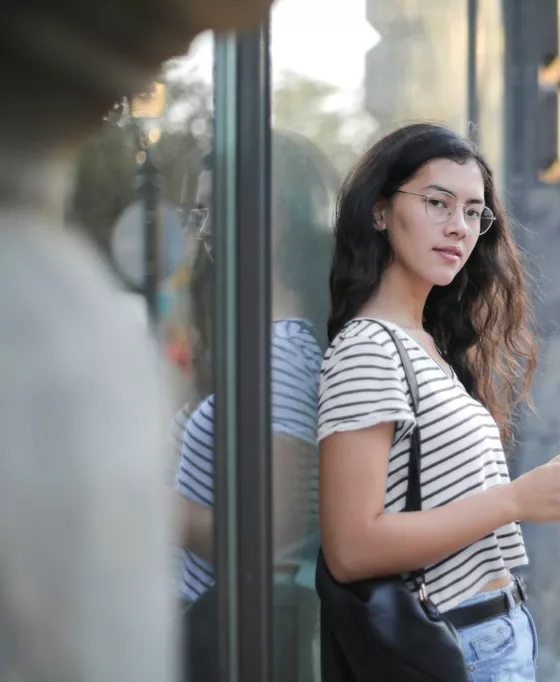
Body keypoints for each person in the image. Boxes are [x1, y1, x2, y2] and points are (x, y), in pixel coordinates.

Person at [317, 122, 560, 681]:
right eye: (437, 203)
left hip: (492, 634)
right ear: (380, 210)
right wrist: (514, 500)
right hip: (452, 644)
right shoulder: (370, 348)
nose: (458, 227)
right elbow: (352, 547)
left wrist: (536, 490)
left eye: (474, 212)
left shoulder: (426, 343)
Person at [174, 130, 335, 607]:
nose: (203, 230)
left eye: (215, 207)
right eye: (199, 212)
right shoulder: (279, 344)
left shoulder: (280, 354)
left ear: (275, 216)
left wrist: (156, 507)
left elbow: (268, 535)